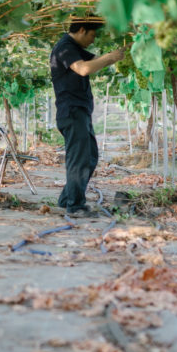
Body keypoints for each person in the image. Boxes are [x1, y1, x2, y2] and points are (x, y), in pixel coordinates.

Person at [49, 16, 125, 217]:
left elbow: (93, 62)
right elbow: (84, 69)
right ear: (82, 30)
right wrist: (111, 57)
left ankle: (67, 199)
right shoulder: (64, 47)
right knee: (79, 159)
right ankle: (75, 206)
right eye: (92, 35)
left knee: (90, 156)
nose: (93, 40)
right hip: (72, 111)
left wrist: (125, 52)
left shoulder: (74, 48)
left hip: (79, 111)